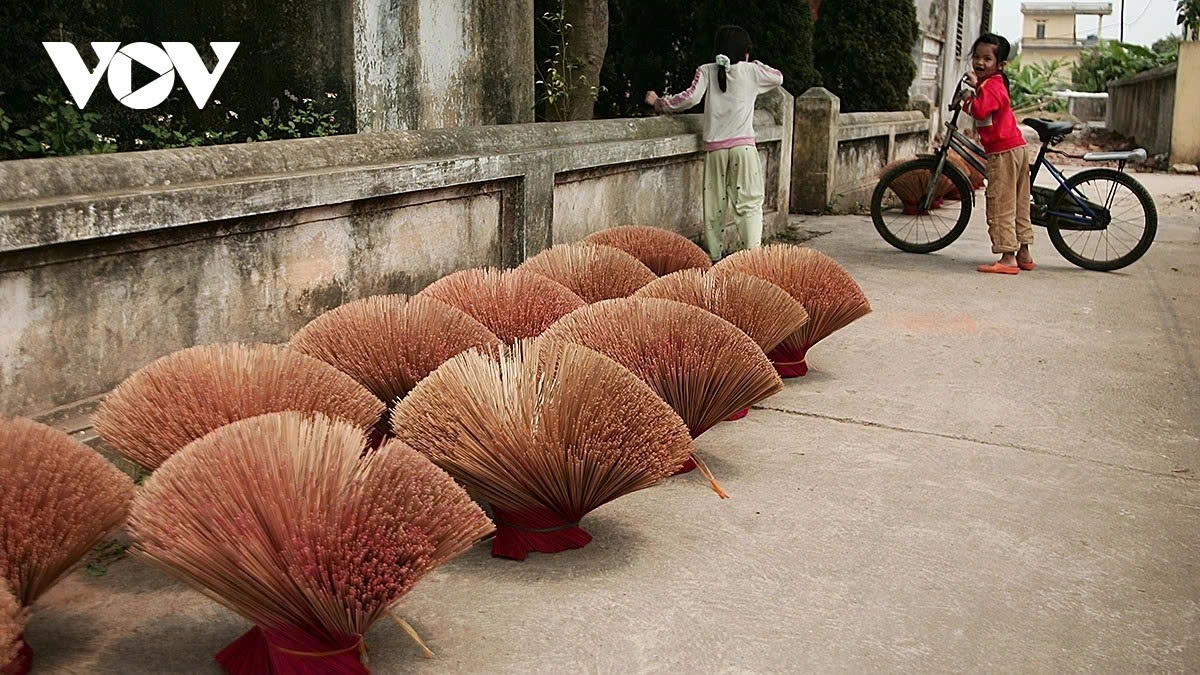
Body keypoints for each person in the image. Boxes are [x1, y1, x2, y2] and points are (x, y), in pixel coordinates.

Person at [645, 25, 783, 263]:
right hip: (744, 150)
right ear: (745, 51)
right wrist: (752, 62)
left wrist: (660, 102)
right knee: (749, 204)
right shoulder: (752, 72)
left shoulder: (706, 71)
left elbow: (690, 98)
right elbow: (778, 77)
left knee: (714, 206)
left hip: (715, 150)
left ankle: (713, 258)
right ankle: (752, 259)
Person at [962, 33, 1034, 274]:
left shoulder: (992, 86)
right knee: (1019, 202)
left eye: (987, 59)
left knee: (1001, 203)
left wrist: (967, 100)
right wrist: (977, 86)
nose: (980, 63)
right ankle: (1023, 252)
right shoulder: (994, 83)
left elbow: (981, 110)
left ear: (1000, 64)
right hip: (1017, 148)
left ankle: (1007, 258)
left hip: (1003, 152)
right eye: (977, 57)